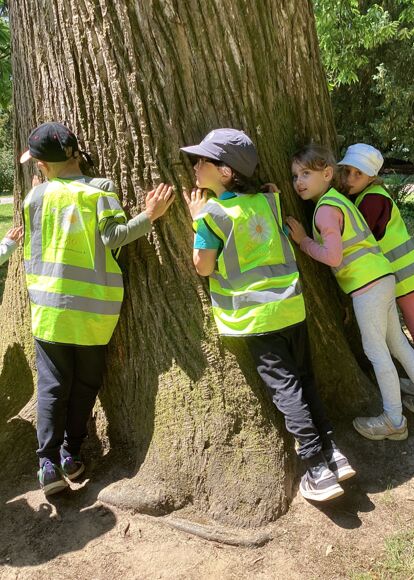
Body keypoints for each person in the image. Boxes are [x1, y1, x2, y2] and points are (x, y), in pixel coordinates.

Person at [181, 128, 355, 502]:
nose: (194, 166)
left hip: (257, 320)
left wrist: (197, 220)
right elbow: (270, 197)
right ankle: (332, 452)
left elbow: (203, 266)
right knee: (305, 379)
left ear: (225, 172)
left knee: (287, 390)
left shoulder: (212, 215)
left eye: (202, 160)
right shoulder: (269, 201)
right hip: (291, 308)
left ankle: (316, 468)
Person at [20, 122, 175, 495]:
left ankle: (46, 463)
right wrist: (150, 215)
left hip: (50, 309)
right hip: (95, 311)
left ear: (42, 165)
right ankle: (71, 454)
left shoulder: (34, 197)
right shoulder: (100, 190)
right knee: (86, 383)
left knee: (53, 386)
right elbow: (115, 237)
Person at [287, 144, 414, 441]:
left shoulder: (325, 211)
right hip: (384, 278)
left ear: (327, 174)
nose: (298, 182)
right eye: (295, 176)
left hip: (368, 288)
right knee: (399, 347)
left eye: (306, 174)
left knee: (377, 353)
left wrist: (303, 241)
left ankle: (394, 419)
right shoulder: (339, 200)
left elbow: (333, 257)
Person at [338, 144, 414, 424]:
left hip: (402, 275)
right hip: (412, 270)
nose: (350, 178)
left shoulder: (371, 200)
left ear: (372, 176)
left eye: (358, 173)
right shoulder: (372, 195)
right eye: (348, 171)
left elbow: (360, 237)